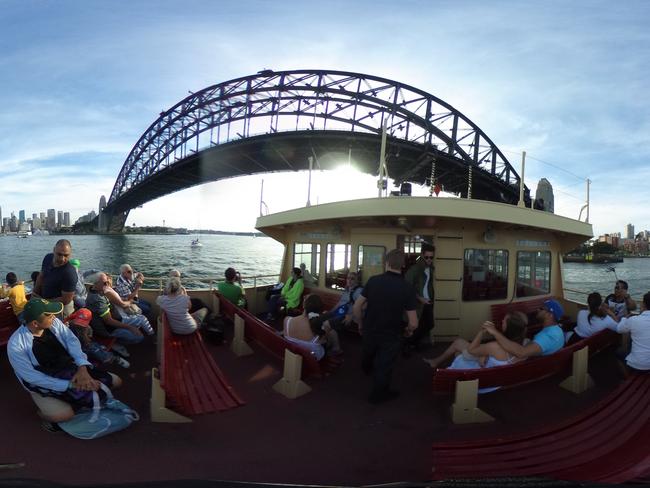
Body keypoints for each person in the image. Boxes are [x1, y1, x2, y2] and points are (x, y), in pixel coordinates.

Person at [6, 298, 122, 430]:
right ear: (35, 323)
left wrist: (82, 368)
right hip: (44, 380)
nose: (54, 316)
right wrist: (70, 385)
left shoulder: (54, 323)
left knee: (116, 382)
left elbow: (71, 341)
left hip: (69, 369)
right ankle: (43, 413)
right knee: (64, 415)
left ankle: (73, 401)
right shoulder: (16, 345)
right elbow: (32, 377)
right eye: (49, 315)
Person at [352, 249, 418, 404]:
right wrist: (408, 331)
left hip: (370, 328)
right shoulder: (407, 288)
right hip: (391, 333)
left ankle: (366, 368)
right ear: (402, 265)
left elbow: (357, 306)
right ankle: (378, 395)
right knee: (384, 365)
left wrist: (360, 323)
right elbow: (414, 323)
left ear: (386, 263)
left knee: (369, 352)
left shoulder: (373, 280)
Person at [424, 311, 528, 369]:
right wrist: (485, 354)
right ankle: (436, 362)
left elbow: (471, 350)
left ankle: (437, 363)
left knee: (458, 345)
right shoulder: (526, 344)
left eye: (504, 321)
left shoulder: (494, 346)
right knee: (459, 348)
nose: (502, 321)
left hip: (484, 379)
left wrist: (481, 332)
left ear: (509, 328)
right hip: (498, 374)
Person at [483, 298, 566, 358]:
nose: (538, 309)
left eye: (541, 309)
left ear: (550, 315)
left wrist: (495, 332)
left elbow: (521, 353)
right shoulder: (557, 329)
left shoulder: (547, 337)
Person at [85, 272, 145, 354]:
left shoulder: (96, 289)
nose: (107, 284)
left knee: (137, 321)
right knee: (139, 337)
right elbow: (109, 321)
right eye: (104, 283)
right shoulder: (97, 300)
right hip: (108, 330)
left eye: (107, 282)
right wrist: (130, 327)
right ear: (96, 283)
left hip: (114, 320)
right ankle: (115, 343)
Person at [65, 308, 130, 369]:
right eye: (78, 321)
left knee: (94, 349)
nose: (79, 325)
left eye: (82, 323)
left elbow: (87, 340)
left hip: (83, 345)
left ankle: (113, 358)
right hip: (71, 345)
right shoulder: (69, 324)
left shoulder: (88, 329)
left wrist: (84, 335)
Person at [282, 294, 342, 359]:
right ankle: (336, 349)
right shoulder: (319, 328)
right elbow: (324, 340)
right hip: (313, 357)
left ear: (304, 305)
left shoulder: (287, 320)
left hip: (291, 352)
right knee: (332, 333)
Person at [33, 239, 77, 317]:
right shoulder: (48, 258)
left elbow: (66, 300)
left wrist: (44, 302)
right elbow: (41, 276)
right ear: (54, 250)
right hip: (44, 301)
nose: (62, 259)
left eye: (66, 255)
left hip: (60, 308)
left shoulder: (69, 273)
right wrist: (35, 294)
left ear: (70, 254)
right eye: (59, 254)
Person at [404, 244, 435, 352]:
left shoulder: (430, 268)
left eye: (431, 257)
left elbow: (428, 285)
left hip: (428, 301)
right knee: (414, 326)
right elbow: (407, 287)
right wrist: (419, 298)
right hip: (417, 303)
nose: (429, 260)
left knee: (429, 324)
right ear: (422, 255)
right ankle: (407, 345)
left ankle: (413, 342)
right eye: (427, 257)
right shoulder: (415, 269)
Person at [615, 291, 650, 373]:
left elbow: (619, 329)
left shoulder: (634, 320)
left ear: (643, 304)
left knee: (618, 353)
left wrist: (624, 318)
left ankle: (627, 377)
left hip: (637, 364)